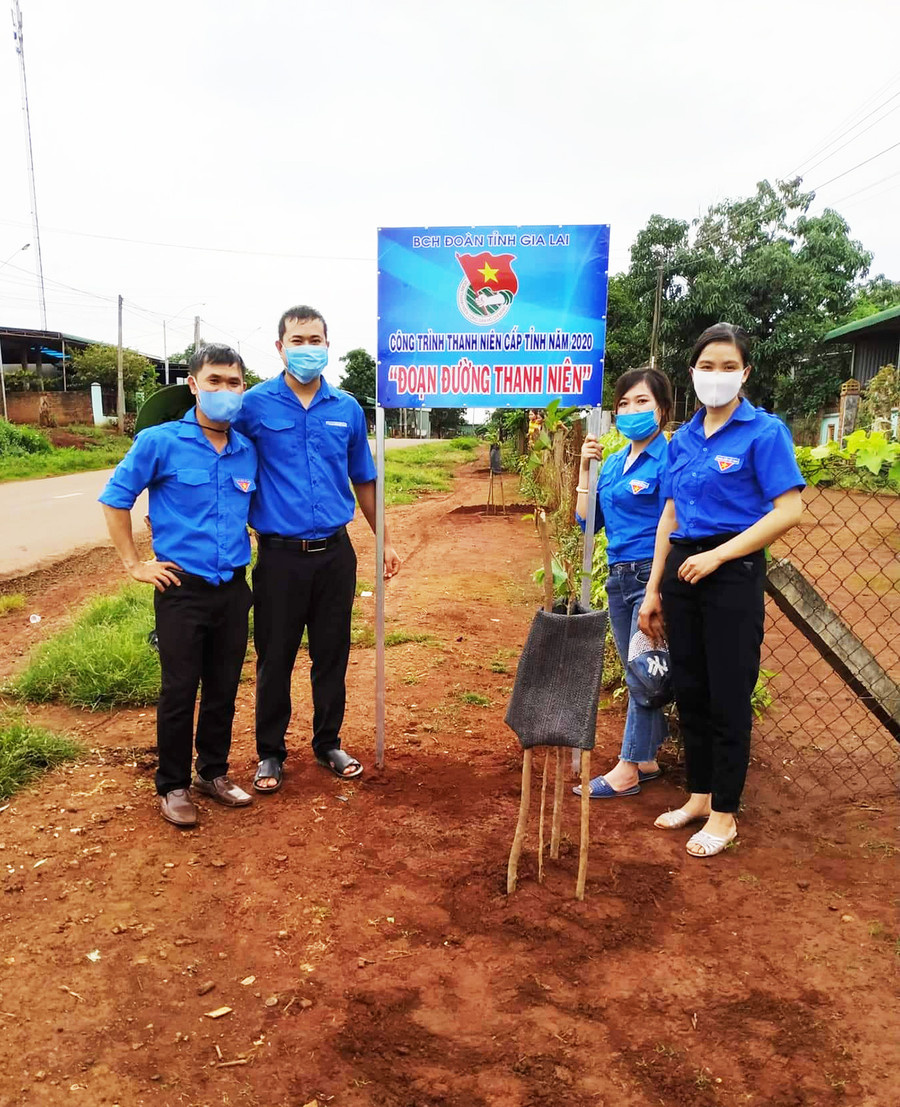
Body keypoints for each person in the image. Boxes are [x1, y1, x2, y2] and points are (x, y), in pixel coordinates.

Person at [639, 323, 804, 857]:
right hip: (683, 569)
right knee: (692, 689)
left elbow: (789, 510)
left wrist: (720, 554)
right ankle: (700, 797)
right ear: (692, 373)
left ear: (745, 373)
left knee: (730, 693)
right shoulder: (682, 439)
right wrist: (654, 588)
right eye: (707, 366)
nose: (717, 376)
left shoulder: (764, 432)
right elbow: (669, 512)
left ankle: (726, 816)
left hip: (731, 570)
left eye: (729, 366)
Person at [234, 305, 401, 793]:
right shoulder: (253, 406)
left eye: (317, 339)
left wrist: (385, 541)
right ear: (280, 346)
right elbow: (222, 457)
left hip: (335, 554)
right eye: (299, 339)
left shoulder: (346, 408)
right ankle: (270, 753)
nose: (309, 348)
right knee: (275, 656)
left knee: (332, 653)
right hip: (280, 557)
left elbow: (364, 481)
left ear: (328, 344)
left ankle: (328, 742)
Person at [99, 345, 257, 827]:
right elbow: (114, 499)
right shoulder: (159, 441)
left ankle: (212, 772)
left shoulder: (246, 450)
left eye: (234, 383)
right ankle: (172, 785)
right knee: (179, 689)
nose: (225, 391)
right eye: (214, 381)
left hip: (233, 587)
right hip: (181, 589)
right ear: (192, 384)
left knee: (224, 687)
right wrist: (133, 564)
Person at [572, 367, 673, 798]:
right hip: (618, 577)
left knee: (642, 673)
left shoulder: (669, 458)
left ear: (663, 410)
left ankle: (628, 767)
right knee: (642, 671)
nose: (631, 411)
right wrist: (583, 470)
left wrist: (657, 589)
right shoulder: (613, 463)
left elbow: (674, 522)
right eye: (624, 404)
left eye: (642, 402)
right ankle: (647, 758)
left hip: (651, 575)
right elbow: (585, 521)